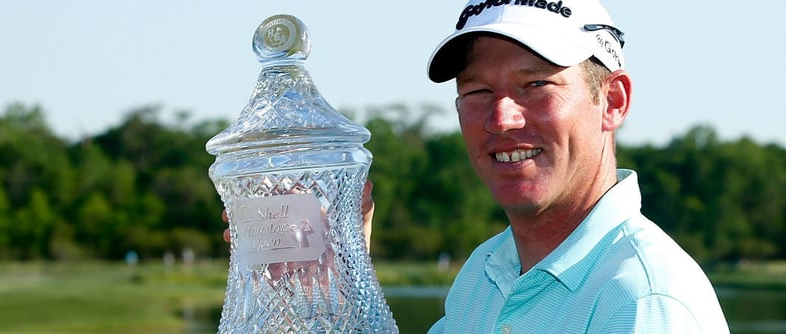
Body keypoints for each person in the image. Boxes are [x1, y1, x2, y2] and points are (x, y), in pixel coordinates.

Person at [223, 0, 730, 332]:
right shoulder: (488, 274)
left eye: (536, 85)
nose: (502, 118)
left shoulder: (642, 300)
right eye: (478, 91)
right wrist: (339, 268)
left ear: (612, 101)